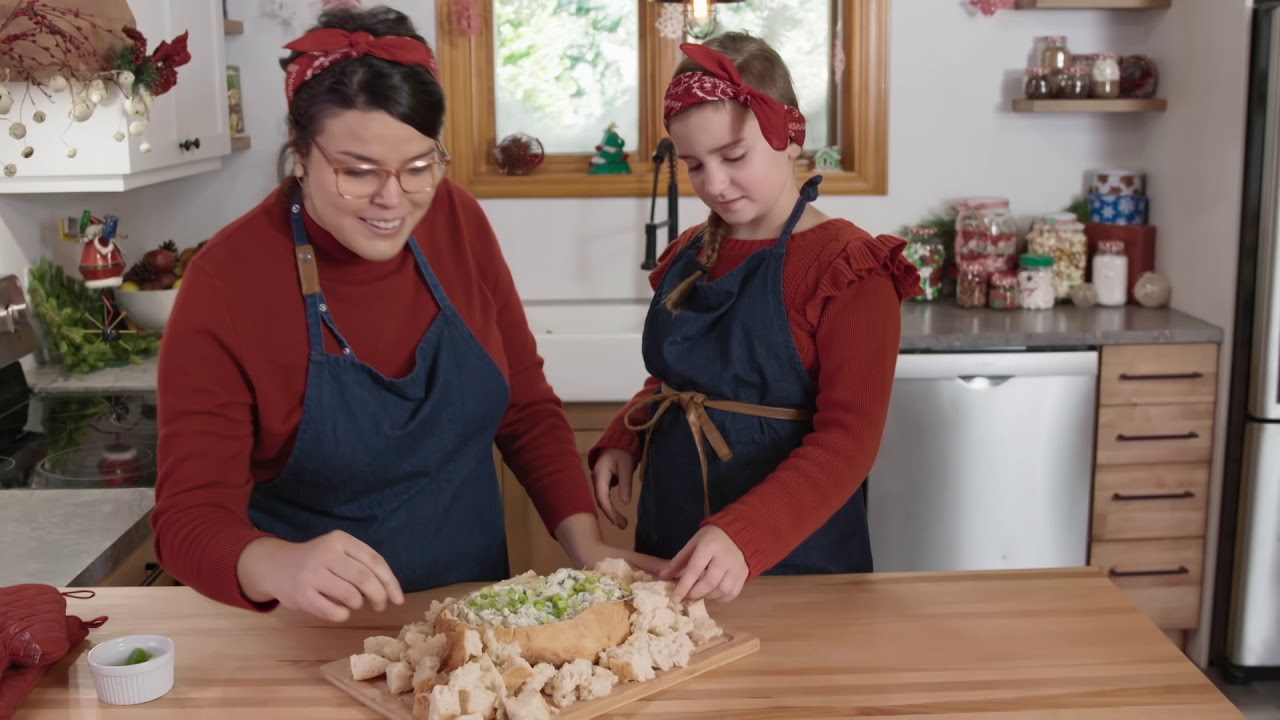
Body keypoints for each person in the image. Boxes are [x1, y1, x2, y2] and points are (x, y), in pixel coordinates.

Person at [152, 5, 658, 623]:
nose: (393, 199)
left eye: (419, 166)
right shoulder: (229, 281)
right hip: (304, 633)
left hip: (474, 619)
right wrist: (274, 563)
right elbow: (187, 518)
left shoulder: (457, 220)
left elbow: (525, 408)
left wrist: (589, 551)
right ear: (301, 153)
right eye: (358, 172)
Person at [590, 33, 921, 605]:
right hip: (671, 545)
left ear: (791, 136)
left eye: (733, 157)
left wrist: (744, 536)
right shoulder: (692, 249)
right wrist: (627, 434)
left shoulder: (849, 270)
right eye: (694, 164)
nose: (714, 183)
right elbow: (681, 373)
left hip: (795, 563)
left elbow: (848, 443)